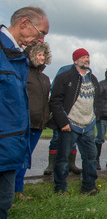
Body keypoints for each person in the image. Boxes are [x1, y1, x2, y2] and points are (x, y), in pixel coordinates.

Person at [0, 6, 48, 218]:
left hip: (10, 149)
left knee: (4, 203)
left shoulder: (18, 58)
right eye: (41, 33)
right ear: (25, 23)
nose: (42, 41)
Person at [49, 48, 100, 195]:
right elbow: (55, 101)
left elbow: (98, 99)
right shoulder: (64, 77)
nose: (87, 60)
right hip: (70, 124)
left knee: (90, 157)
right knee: (63, 158)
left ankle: (89, 187)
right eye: (83, 57)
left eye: (88, 57)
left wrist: (95, 115)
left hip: (88, 124)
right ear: (75, 60)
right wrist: (63, 121)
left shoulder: (93, 78)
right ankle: (60, 188)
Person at [14, 42, 51, 200]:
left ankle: (18, 190)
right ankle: (9, 193)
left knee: (25, 159)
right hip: (24, 122)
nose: (41, 57)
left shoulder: (44, 78)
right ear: (31, 55)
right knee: (16, 157)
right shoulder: (24, 72)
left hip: (39, 123)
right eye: (38, 54)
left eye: (43, 54)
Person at [43, 65, 82, 176]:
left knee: (73, 140)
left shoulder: (82, 76)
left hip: (75, 114)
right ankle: (51, 164)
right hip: (62, 112)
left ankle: (71, 164)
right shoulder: (64, 71)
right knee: (56, 138)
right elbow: (54, 90)